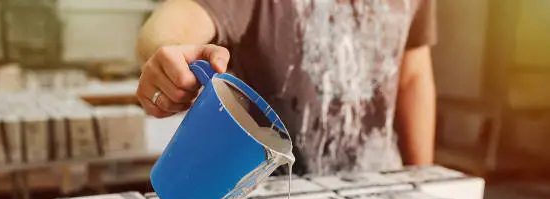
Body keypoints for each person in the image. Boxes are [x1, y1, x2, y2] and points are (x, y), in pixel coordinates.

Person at [136, 0, 437, 175]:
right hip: (272, 194)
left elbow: (412, 76)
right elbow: (180, 15)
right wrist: (169, 51)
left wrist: (420, 179)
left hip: (380, 183)